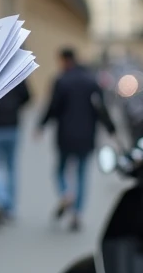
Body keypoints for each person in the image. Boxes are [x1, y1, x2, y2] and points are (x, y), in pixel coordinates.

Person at [39, 48, 115, 232]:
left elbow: (53, 107)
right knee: (82, 174)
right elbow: (100, 108)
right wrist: (111, 127)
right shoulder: (91, 81)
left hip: (65, 135)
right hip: (87, 136)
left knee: (60, 170)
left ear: (65, 60)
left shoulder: (61, 80)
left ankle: (66, 193)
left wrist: (41, 125)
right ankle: (77, 213)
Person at [0, 78, 31, 229]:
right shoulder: (17, 73)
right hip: (12, 125)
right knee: (11, 166)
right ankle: (11, 208)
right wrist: (14, 107)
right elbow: (28, 97)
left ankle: (2, 199)